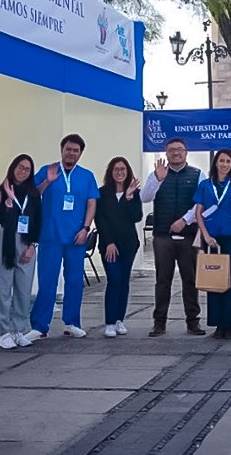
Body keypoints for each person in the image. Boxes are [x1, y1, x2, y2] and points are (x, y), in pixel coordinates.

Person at [29, 134, 99, 341]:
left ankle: (72, 323)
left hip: (76, 237)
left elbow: (91, 204)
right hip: (50, 236)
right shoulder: (47, 171)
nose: (71, 153)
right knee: (47, 282)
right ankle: (40, 326)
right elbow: (33, 194)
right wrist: (47, 182)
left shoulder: (86, 176)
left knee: (75, 281)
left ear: (80, 153)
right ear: (62, 150)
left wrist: (86, 228)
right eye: (68, 149)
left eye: (75, 150)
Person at [141, 137, 205, 337]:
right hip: (163, 237)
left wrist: (185, 221)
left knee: (190, 280)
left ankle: (193, 322)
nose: (176, 153)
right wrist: (158, 180)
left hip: (188, 237)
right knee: (162, 281)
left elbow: (202, 203)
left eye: (180, 149)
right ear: (166, 153)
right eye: (171, 150)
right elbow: (144, 197)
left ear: (186, 152)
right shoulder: (157, 174)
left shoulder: (198, 174)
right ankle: (159, 322)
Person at [194, 149, 231, 340]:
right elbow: (199, 212)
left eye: (228, 161)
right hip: (212, 238)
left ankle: (229, 325)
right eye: (221, 161)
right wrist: (205, 236)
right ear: (216, 163)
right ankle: (218, 325)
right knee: (214, 280)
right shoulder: (205, 185)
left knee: (229, 280)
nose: (224, 164)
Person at [0, 154, 42, 350]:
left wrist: (32, 245)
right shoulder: (2, 191)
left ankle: (18, 330)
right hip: (6, 241)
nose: (23, 171)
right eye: (20, 167)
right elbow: (0, 220)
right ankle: (4, 332)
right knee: (2, 288)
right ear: (13, 168)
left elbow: (39, 221)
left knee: (23, 289)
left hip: (26, 243)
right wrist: (8, 205)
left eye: (27, 169)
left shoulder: (34, 194)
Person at [96, 156, 143, 338]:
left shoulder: (134, 193)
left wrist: (129, 197)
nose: (120, 172)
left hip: (128, 244)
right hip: (109, 245)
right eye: (116, 169)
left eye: (123, 169)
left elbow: (136, 217)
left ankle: (119, 320)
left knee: (124, 281)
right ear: (111, 172)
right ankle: (109, 322)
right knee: (114, 280)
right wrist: (108, 242)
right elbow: (101, 220)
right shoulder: (102, 193)